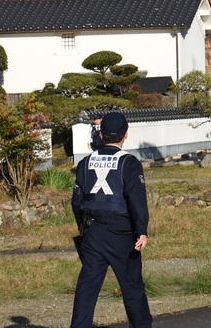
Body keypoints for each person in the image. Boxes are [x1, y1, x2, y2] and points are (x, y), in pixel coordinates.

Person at [70, 112, 151, 328]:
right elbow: (137, 201)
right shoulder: (129, 163)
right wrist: (142, 230)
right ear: (126, 135)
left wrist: (83, 228)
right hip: (123, 235)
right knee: (132, 288)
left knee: (86, 290)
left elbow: (77, 201)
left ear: (102, 135)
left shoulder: (85, 163)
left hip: (92, 231)